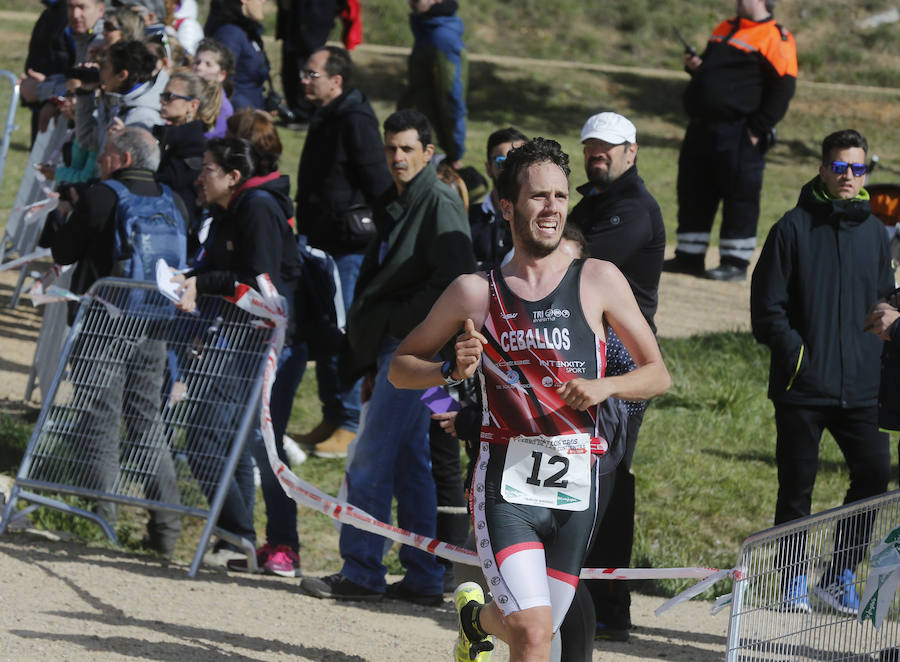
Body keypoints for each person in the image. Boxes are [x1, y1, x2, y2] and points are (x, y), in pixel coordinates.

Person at [386, 137, 670, 662]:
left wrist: (605, 386)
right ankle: (489, 621)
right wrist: (450, 375)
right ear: (508, 207)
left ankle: (475, 619)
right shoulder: (476, 291)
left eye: (561, 197)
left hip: (575, 486)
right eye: (539, 197)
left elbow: (658, 375)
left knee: (529, 627)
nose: (552, 208)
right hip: (506, 485)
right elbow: (401, 370)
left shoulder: (599, 280)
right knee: (537, 635)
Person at [299, 109, 475, 604]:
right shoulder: (401, 199)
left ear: (428, 152)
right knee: (409, 460)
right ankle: (421, 576)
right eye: (390, 148)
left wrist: (401, 334)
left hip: (415, 353)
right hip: (406, 352)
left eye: (406, 148)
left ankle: (361, 571)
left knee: (373, 457)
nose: (396, 157)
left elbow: (456, 281)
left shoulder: (438, 201)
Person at [750, 129, 893, 616]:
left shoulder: (876, 232)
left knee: (873, 477)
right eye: (839, 167)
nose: (849, 177)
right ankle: (790, 583)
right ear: (822, 168)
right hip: (802, 389)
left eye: (857, 169)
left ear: (866, 173)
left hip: (863, 388)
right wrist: (797, 355)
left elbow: (884, 301)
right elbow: (766, 310)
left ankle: (838, 579)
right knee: (796, 488)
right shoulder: (790, 229)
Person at [48, 126, 189, 557]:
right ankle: (166, 525)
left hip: (103, 321)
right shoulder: (174, 200)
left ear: (123, 159)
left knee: (100, 414)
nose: (101, 161)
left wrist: (62, 215)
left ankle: (101, 517)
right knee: (146, 417)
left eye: (106, 154)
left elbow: (63, 253)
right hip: (153, 322)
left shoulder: (101, 195)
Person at [174, 137, 301, 565]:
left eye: (207, 169)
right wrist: (190, 277)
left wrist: (204, 283)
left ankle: (247, 537)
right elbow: (220, 267)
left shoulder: (257, 207)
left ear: (232, 176)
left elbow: (258, 280)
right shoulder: (226, 211)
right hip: (237, 338)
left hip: (263, 342)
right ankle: (239, 539)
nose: (198, 176)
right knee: (230, 439)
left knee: (211, 435)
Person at [567, 111, 665, 642]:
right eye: (590, 147)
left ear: (632, 151)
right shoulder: (594, 202)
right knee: (590, 474)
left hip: (624, 364)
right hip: (587, 356)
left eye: (607, 147)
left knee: (607, 477)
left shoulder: (632, 209)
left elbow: (574, 267)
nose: (596, 154)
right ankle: (589, 600)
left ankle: (609, 605)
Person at [293, 46, 393, 458]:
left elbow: (377, 181)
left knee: (343, 334)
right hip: (322, 246)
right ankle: (333, 415)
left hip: (348, 249)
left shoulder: (354, 120)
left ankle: (350, 421)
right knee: (324, 331)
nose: (303, 79)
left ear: (336, 80)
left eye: (311, 73)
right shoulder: (327, 115)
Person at [665, 0, 797, 281]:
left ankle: (735, 262)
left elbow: (784, 87)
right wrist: (695, 68)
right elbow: (714, 74)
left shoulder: (776, 36)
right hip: (701, 127)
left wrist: (756, 129)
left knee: (740, 197)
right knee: (693, 191)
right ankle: (689, 256)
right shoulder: (724, 27)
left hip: (739, 132)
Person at [22, 0, 105, 141]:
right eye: (70, 7)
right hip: (64, 117)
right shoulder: (77, 32)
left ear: (100, 9)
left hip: (90, 129)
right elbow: (71, 77)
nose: (75, 14)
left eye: (82, 7)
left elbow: (82, 83)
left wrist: (44, 91)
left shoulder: (101, 43)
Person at [399, 0, 467, 169]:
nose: (410, 2)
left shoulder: (442, 38)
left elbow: (452, 98)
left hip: (431, 148)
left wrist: (455, 151)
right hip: (416, 137)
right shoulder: (427, 31)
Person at [155, 70, 221, 236]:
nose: (162, 101)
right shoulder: (170, 137)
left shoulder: (195, 146)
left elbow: (164, 184)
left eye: (169, 97)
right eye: (162, 95)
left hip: (175, 231)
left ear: (193, 105)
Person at [469, 127, 527, 271]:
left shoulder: (540, 218)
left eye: (518, 160)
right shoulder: (466, 217)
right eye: (502, 162)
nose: (510, 168)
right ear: (488, 169)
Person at [276, 0, 337, 123]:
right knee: (290, 71)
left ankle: (304, 115)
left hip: (311, 26)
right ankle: (294, 112)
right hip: (293, 24)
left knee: (307, 72)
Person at [204, 0, 270, 110]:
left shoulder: (246, 30)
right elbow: (221, 83)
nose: (264, 1)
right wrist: (249, 114)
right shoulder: (229, 34)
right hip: (239, 119)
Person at [192, 38, 237, 139]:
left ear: (222, 75)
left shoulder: (224, 108)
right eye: (197, 62)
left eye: (208, 64)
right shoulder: (185, 93)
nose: (199, 67)